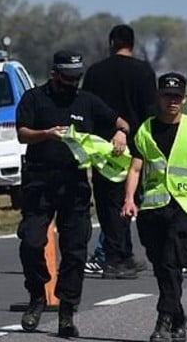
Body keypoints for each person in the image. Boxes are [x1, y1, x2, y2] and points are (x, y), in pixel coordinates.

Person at [17, 50, 129, 338]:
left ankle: (67, 310)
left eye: (77, 77)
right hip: (39, 182)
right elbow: (22, 133)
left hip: (74, 185)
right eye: (68, 77)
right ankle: (37, 295)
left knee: (75, 250)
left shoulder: (86, 101)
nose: (73, 83)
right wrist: (47, 134)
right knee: (31, 242)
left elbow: (121, 121)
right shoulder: (34, 98)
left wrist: (120, 133)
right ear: (54, 74)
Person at [121, 72, 187, 342]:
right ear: (159, 97)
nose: (172, 101)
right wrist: (129, 199)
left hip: (184, 205)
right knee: (161, 266)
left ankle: (164, 320)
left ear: (185, 99)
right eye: (168, 96)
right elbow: (135, 168)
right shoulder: (145, 129)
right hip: (152, 207)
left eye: (177, 97)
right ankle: (179, 316)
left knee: (171, 262)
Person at [80, 24, 155, 279]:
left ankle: (117, 256)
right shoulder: (144, 71)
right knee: (130, 200)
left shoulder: (95, 72)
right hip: (136, 147)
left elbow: (86, 109)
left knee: (108, 204)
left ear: (111, 42)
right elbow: (150, 112)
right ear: (132, 44)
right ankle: (121, 255)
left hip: (103, 149)